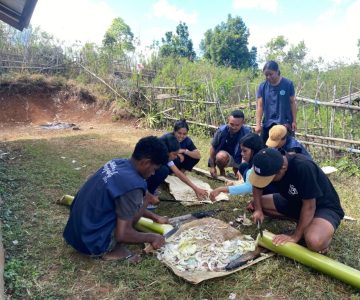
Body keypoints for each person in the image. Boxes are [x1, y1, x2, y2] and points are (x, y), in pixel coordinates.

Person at [63, 136, 170, 262]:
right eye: (154, 169)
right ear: (145, 162)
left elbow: (125, 206)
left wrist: (154, 216)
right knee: (124, 231)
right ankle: (109, 250)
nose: (153, 174)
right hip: (89, 243)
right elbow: (122, 234)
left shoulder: (116, 163)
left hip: (74, 233)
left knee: (139, 203)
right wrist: (153, 237)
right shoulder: (133, 185)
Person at [249, 148, 344, 253]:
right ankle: (305, 223)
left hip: (322, 207)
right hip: (295, 202)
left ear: (283, 168)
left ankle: (320, 232)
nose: (265, 182)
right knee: (255, 204)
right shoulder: (267, 163)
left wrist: (295, 236)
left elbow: (309, 206)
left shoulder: (303, 166)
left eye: (268, 178)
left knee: (314, 241)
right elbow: (257, 185)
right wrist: (258, 210)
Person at [146, 134, 208, 206]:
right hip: (137, 184)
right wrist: (148, 196)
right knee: (163, 170)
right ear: (166, 152)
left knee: (164, 170)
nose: (176, 157)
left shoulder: (165, 157)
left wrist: (196, 189)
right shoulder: (150, 158)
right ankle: (146, 195)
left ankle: (150, 191)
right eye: (174, 154)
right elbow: (139, 179)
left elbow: (178, 173)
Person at [209, 133, 264, 201]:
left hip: (271, 191)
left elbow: (249, 188)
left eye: (245, 151)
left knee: (246, 170)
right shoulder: (257, 157)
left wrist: (221, 189)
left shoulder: (259, 164)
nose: (241, 153)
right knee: (243, 166)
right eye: (241, 150)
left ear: (254, 150)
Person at [255, 61, 297, 143]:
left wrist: (294, 121)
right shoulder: (262, 86)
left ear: (277, 71)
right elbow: (260, 106)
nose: (268, 77)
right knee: (264, 149)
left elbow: (292, 103)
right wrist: (258, 124)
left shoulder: (288, 84)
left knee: (286, 150)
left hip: (284, 122)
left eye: (271, 74)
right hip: (268, 123)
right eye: (266, 75)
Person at [209, 110, 251, 178]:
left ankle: (237, 170)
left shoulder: (247, 133)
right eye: (231, 124)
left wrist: (242, 168)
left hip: (240, 157)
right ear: (228, 121)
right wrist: (212, 167)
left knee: (241, 177)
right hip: (226, 156)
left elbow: (247, 152)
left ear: (243, 123)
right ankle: (222, 170)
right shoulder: (221, 131)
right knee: (220, 157)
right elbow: (213, 148)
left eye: (237, 125)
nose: (234, 127)